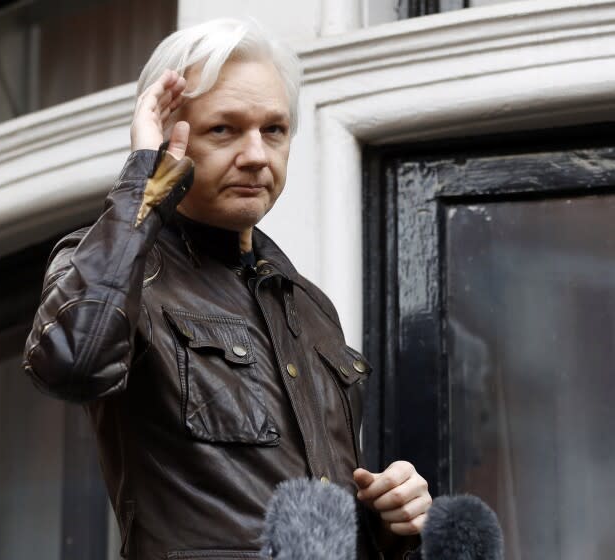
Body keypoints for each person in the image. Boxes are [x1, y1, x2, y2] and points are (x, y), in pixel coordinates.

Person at [23, 18, 431, 559]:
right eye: (224, 130)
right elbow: (72, 361)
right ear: (172, 136)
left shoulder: (307, 305)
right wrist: (146, 182)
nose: (257, 154)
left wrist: (387, 521)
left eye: (274, 130)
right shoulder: (111, 261)